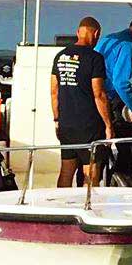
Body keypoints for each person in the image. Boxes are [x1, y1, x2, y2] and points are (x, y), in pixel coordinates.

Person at [51, 17, 114, 186]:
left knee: (66, 171)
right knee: (90, 173)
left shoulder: (60, 56)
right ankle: (86, 207)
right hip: (89, 126)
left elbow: (54, 91)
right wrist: (108, 125)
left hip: (66, 124)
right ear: (96, 34)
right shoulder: (95, 58)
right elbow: (99, 94)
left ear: (78, 32)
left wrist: (57, 120)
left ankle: (61, 208)